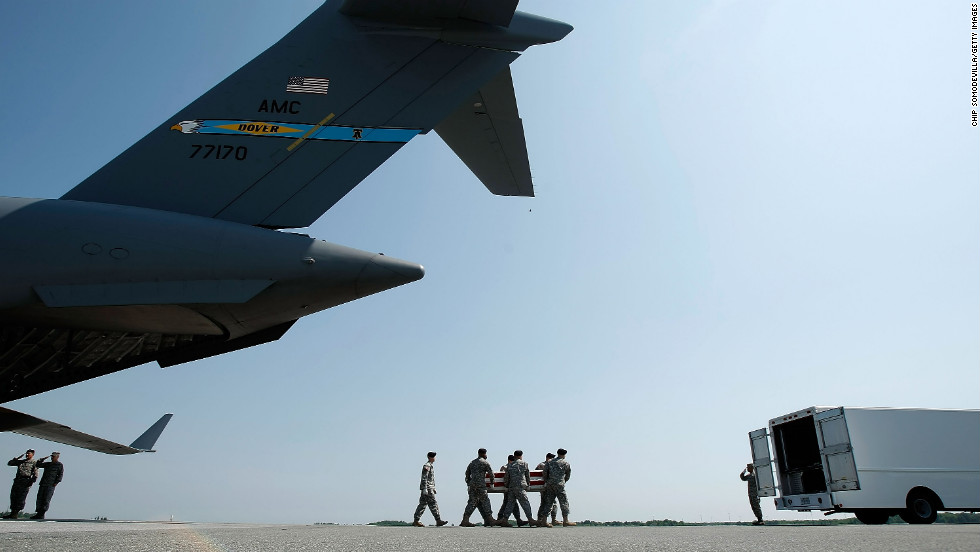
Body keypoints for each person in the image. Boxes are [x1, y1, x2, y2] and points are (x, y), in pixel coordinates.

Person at [498, 450, 535, 527]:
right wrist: (528, 484)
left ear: (514, 456)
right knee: (525, 503)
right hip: (521, 487)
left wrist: (507, 486)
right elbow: (527, 475)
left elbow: (507, 477)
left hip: (512, 487)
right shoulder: (524, 464)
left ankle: (505, 520)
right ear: (521, 456)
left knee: (510, 504)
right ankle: (530, 519)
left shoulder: (510, 465)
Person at [538, 448, 575, 527]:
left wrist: (547, 481)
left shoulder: (550, 462)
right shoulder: (565, 463)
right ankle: (565, 520)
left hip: (550, 484)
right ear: (564, 455)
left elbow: (545, 473)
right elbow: (568, 474)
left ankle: (544, 520)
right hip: (559, 485)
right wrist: (563, 481)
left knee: (548, 503)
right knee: (564, 502)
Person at [460, 448, 495, 527]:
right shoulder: (485, 462)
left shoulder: (472, 462)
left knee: (472, 502)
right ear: (484, 454)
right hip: (481, 485)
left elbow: (467, 473)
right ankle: (490, 519)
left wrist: (469, 482)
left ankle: (465, 519)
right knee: (485, 501)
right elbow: (491, 474)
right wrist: (492, 483)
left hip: (472, 485)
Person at [412, 451, 448, 527]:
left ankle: (416, 520)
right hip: (427, 489)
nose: (434, 458)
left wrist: (433, 487)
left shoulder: (430, 465)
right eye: (433, 456)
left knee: (422, 504)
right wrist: (425, 488)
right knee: (433, 504)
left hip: (429, 488)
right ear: (429, 457)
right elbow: (424, 477)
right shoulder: (427, 465)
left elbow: (430, 478)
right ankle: (438, 520)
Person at [3, 449, 38, 519]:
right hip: (18, 480)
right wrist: (16, 459)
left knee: (21, 497)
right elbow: (10, 463)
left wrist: (32, 481)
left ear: (32, 454)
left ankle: (16, 512)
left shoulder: (34, 462)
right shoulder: (21, 461)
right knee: (13, 496)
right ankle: (12, 512)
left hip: (26, 481)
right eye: (27, 453)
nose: (27, 455)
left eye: (29, 454)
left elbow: (35, 473)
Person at [31, 452, 63, 520]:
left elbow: (60, 474)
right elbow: (38, 464)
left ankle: (42, 513)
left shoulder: (59, 465)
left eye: (53, 456)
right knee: (40, 498)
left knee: (46, 499)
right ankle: (38, 513)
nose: (52, 458)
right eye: (51, 456)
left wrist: (56, 482)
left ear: (57, 457)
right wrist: (42, 459)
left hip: (50, 484)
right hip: (43, 483)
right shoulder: (48, 464)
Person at [495, 455, 523, 526]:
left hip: (506, 487)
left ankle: (503, 518)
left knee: (510, 502)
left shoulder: (504, 467)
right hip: (511, 487)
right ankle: (502, 518)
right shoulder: (511, 467)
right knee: (509, 502)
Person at [536, 453, 558, 526]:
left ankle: (540, 519)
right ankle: (553, 519)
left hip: (542, 487)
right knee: (553, 503)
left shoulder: (540, 465)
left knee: (543, 503)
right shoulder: (548, 465)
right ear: (548, 458)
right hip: (548, 486)